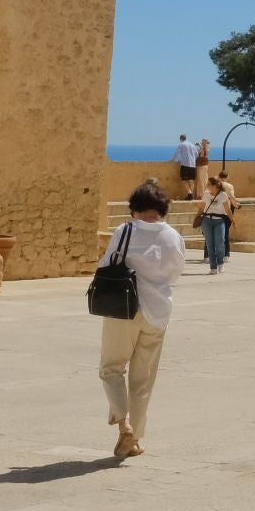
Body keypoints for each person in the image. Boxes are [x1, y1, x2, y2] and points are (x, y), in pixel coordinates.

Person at [99, 181, 187, 458]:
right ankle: (135, 439)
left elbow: (105, 266)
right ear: (162, 208)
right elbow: (174, 275)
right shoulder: (173, 236)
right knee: (143, 380)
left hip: (124, 310)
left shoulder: (125, 230)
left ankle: (124, 426)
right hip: (158, 314)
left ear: (135, 207)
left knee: (112, 369)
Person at [200, 173, 235, 273]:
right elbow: (201, 207)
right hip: (207, 220)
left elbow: (227, 210)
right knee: (210, 244)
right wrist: (197, 217)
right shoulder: (206, 194)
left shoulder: (223, 195)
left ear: (215, 185)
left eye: (209, 184)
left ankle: (220, 262)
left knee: (220, 243)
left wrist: (233, 220)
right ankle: (213, 267)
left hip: (219, 221)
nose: (207, 186)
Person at [170, 134, 198, 200]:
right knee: (191, 180)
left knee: (184, 180)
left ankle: (190, 193)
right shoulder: (192, 145)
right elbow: (196, 154)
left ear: (180, 139)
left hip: (185, 165)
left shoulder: (181, 144)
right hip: (193, 165)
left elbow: (177, 153)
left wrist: (172, 160)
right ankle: (191, 196)